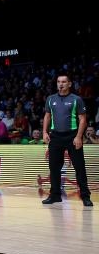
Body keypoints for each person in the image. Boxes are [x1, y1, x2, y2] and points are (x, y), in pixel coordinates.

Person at [42, 74, 92, 207]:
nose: (60, 84)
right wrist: (45, 132)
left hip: (72, 136)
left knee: (79, 167)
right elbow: (47, 116)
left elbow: (83, 119)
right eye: (58, 82)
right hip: (56, 137)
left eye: (64, 82)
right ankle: (55, 195)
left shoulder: (76, 99)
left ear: (69, 84)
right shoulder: (50, 99)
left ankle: (85, 196)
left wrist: (79, 136)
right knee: (54, 168)